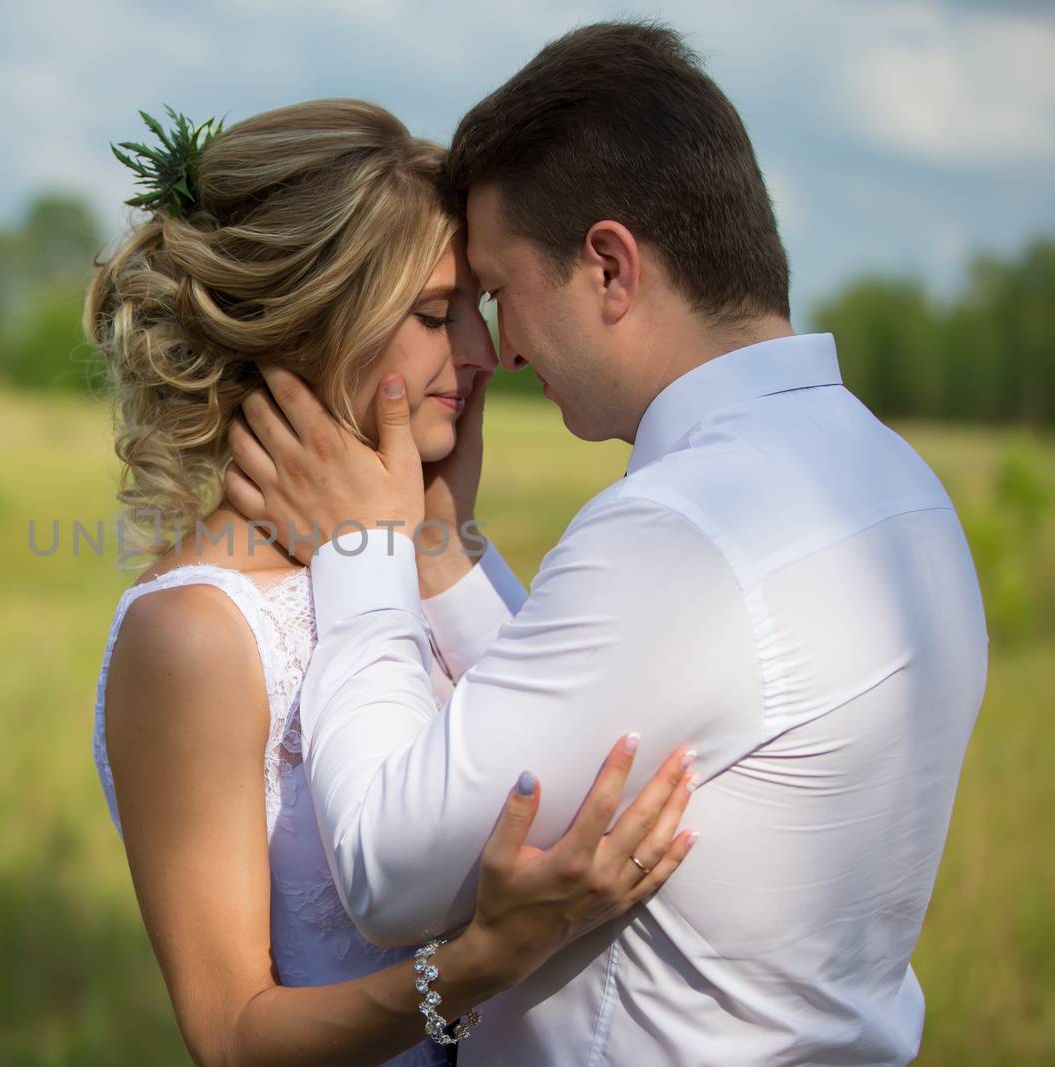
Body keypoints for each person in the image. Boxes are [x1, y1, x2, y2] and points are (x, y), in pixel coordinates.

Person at [226, 22, 988, 1067]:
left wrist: (363, 552)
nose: (498, 350)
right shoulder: (896, 484)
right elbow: (582, 725)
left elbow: (391, 870)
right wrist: (440, 552)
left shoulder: (689, 528)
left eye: (497, 292)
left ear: (609, 267)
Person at [85, 98, 700, 1067]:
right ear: (306, 326)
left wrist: (441, 544)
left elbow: (574, 785)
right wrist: (478, 961)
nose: (484, 352)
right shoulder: (198, 632)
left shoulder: (430, 556)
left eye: (475, 308)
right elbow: (231, 1037)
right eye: (430, 313)